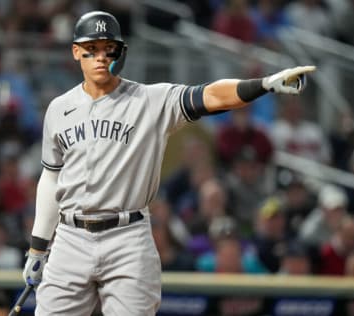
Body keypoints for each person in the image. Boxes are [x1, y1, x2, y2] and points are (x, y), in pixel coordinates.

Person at [21, 10, 315, 316]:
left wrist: (264, 84)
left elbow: (210, 96)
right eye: (91, 48)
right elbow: (51, 179)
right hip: (70, 236)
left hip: (127, 236)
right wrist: (38, 246)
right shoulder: (59, 109)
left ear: (120, 51)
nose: (99, 56)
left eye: (108, 47)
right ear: (76, 51)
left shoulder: (151, 100)